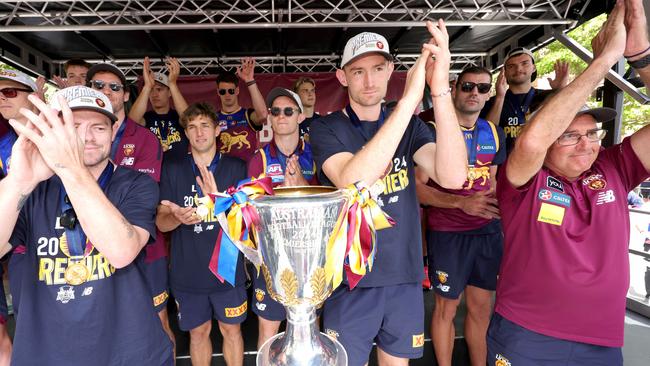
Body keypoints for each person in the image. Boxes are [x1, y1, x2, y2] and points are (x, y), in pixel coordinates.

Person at [487, 1, 650, 364]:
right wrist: (604, 61)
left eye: (592, 133)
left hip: (602, 340)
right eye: (569, 135)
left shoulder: (613, 166)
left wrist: (640, 55)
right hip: (527, 335)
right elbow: (531, 142)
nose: (586, 143)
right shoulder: (525, 178)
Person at [310, 21, 468, 366]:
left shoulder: (412, 127)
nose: (369, 81)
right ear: (342, 77)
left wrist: (439, 89)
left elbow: (455, 177)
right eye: (358, 71)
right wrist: (410, 97)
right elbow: (353, 180)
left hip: (403, 277)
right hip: (348, 281)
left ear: (391, 70)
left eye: (378, 69)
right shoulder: (325, 127)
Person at [0, 85, 173, 365]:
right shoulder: (33, 187)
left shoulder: (135, 184)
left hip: (128, 352)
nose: (87, 137)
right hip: (46, 353)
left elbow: (122, 251)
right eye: (74, 126)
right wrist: (20, 180)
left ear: (114, 132)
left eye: (99, 128)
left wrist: (69, 168)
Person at [416, 66, 506, 366]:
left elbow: (493, 181)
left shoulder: (494, 132)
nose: (474, 93)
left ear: (489, 94)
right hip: (448, 234)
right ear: (454, 88)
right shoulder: (431, 131)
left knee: (481, 309)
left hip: (487, 233)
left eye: (482, 88)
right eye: (468, 86)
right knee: (446, 308)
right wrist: (459, 203)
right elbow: (416, 189)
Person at [86, 62, 175, 346]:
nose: (106, 92)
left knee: (157, 323)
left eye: (114, 87)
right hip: (83, 252)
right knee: (102, 327)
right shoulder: (74, 136)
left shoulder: (145, 138)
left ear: (126, 95)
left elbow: (142, 199)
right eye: (98, 85)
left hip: (144, 249)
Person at [157, 102, 247, 366]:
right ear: (185, 133)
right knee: (198, 333)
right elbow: (161, 224)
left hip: (227, 272)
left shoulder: (237, 168)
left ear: (218, 130)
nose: (199, 133)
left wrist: (218, 201)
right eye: (192, 127)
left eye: (205, 126)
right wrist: (175, 217)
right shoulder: (173, 169)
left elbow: (249, 223)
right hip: (188, 273)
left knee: (231, 331)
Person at [248, 87, 319, 348]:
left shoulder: (317, 154)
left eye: (288, 110)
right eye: (275, 111)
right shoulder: (260, 159)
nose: (281, 115)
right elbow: (253, 211)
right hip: (272, 256)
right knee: (268, 333)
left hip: (309, 255)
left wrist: (301, 185)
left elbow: (330, 204)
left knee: (309, 331)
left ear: (300, 116)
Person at [0, 68, 38, 366]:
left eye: (10, 92)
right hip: (22, 251)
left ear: (33, 96)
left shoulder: (56, 133)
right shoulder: (3, 145)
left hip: (66, 246)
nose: (2, 99)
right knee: (29, 325)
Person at [481, 48, 569, 154]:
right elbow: (486, 137)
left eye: (524, 63)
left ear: (533, 68)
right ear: (504, 72)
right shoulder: (492, 102)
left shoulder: (547, 97)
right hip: (503, 166)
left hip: (541, 165)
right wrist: (500, 97)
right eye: (511, 66)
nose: (518, 69)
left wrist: (560, 92)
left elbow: (565, 126)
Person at [129, 57, 190, 158]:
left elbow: (189, 119)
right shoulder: (146, 118)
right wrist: (147, 87)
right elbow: (132, 121)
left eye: (159, 89)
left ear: (169, 92)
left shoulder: (178, 116)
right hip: (151, 170)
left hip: (178, 170)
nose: (154, 94)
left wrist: (173, 84)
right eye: (151, 90)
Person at [215, 58, 268, 162]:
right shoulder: (213, 118)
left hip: (247, 173)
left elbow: (262, 115)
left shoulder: (247, 115)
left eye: (231, 91)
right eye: (223, 91)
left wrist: (250, 80)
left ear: (237, 90)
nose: (227, 95)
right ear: (218, 92)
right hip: (222, 173)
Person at [292, 77, 320, 141]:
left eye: (312, 90)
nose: (310, 94)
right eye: (305, 91)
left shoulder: (323, 122)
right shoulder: (292, 122)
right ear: (296, 95)